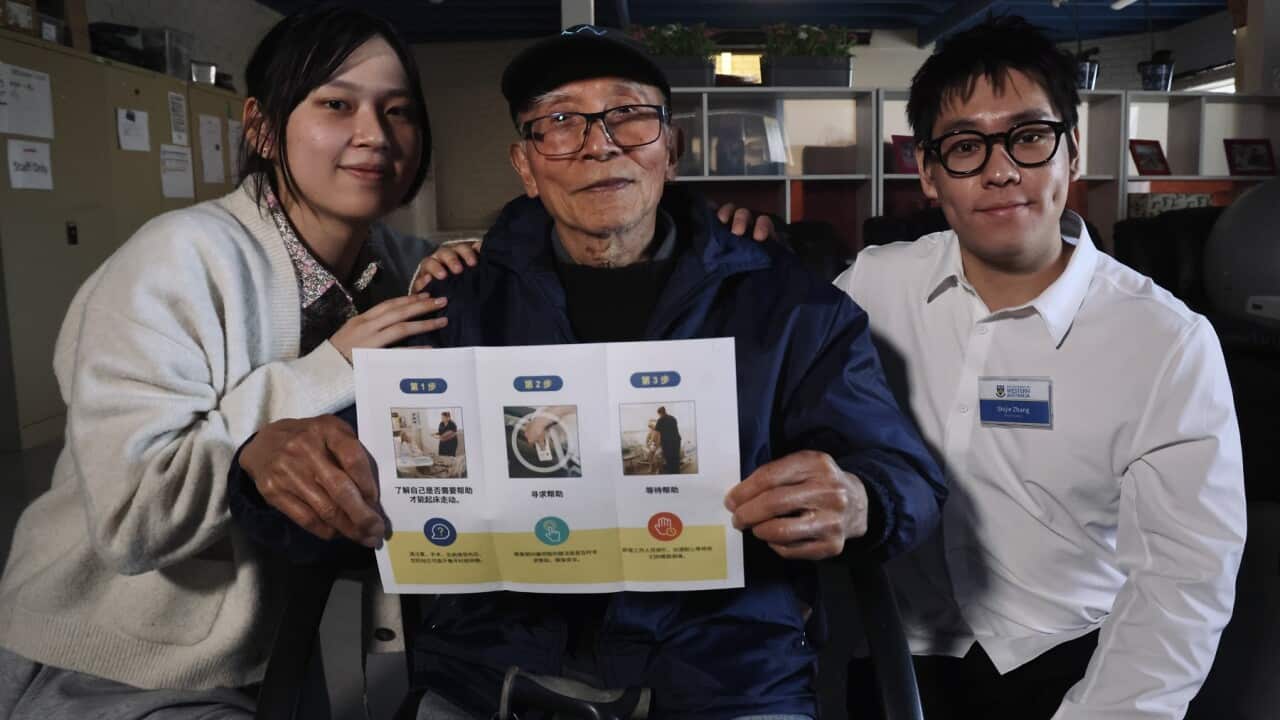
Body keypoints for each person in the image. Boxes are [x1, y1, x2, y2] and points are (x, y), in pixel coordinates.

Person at [230, 24, 946, 720]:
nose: (599, 145)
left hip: (726, 684)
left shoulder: (790, 308)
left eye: (629, 117)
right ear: (526, 166)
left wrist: (859, 498)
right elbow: (324, 496)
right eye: (562, 122)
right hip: (491, 683)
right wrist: (268, 470)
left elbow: (903, 475)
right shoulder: (452, 310)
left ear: (672, 147)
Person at [0, 8, 444, 719]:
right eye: (336, 104)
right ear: (262, 127)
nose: (375, 135)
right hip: (117, 660)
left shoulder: (398, 267)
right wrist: (329, 367)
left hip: (285, 656)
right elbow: (133, 517)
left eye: (398, 111)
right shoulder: (178, 257)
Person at [833, 16, 1245, 720]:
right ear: (929, 175)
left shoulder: (1165, 340)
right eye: (965, 147)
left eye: (1028, 137)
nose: (1001, 171)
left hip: (1068, 662)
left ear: (1072, 153)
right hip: (892, 651)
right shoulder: (875, 287)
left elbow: (1183, 581)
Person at [653, 405, 681, 474]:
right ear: (665, 411)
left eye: (659, 414)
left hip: (667, 443)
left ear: (659, 413)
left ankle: (671, 474)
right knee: (676, 459)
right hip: (677, 441)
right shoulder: (673, 418)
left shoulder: (660, 420)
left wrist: (655, 443)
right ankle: (677, 473)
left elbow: (656, 433)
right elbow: (675, 430)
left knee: (669, 460)